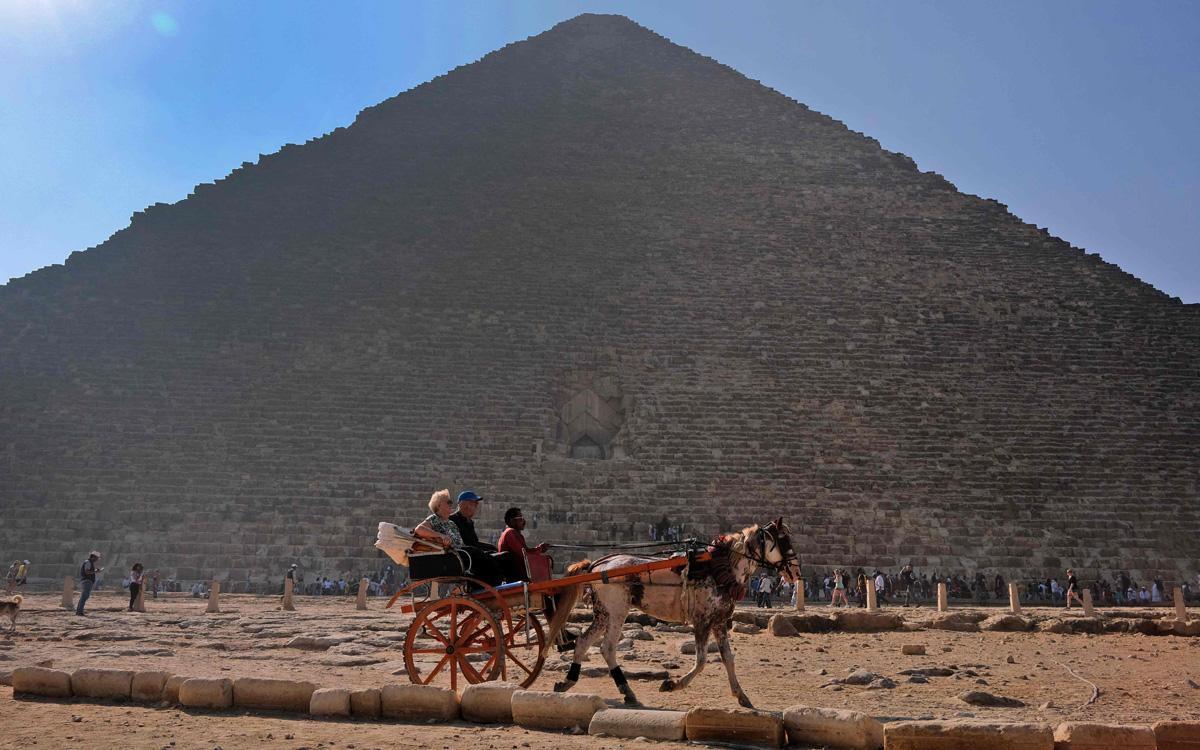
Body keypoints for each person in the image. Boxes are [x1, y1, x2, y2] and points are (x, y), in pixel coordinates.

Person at [415, 489, 506, 586]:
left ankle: (493, 583)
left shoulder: (450, 522)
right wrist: (440, 535)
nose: (452, 504)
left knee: (489, 557)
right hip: (454, 555)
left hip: (462, 552)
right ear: (439, 505)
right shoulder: (434, 519)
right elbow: (419, 529)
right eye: (449, 502)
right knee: (481, 555)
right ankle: (491, 585)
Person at [77, 551, 102, 616]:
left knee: (84, 597)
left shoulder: (89, 562)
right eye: (97, 558)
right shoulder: (88, 562)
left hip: (87, 581)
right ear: (93, 557)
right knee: (84, 597)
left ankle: (79, 610)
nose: (97, 560)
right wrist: (95, 571)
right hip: (87, 581)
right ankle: (79, 611)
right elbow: (87, 572)